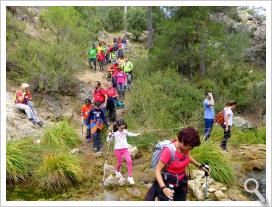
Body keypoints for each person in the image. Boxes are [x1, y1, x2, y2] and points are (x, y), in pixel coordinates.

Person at [153, 127, 209, 201]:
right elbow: (157, 170)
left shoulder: (185, 148)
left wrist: (198, 165)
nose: (190, 149)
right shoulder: (168, 151)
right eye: (190, 147)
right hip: (168, 183)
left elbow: (187, 156)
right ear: (182, 141)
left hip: (181, 182)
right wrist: (164, 188)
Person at [107, 119, 140, 185]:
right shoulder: (114, 133)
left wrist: (136, 134)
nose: (123, 129)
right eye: (121, 128)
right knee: (120, 162)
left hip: (125, 149)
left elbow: (129, 134)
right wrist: (109, 135)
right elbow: (108, 140)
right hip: (117, 150)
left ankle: (130, 177)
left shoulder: (125, 131)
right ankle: (117, 170)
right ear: (117, 127)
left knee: (129, 161)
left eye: (124, 127)